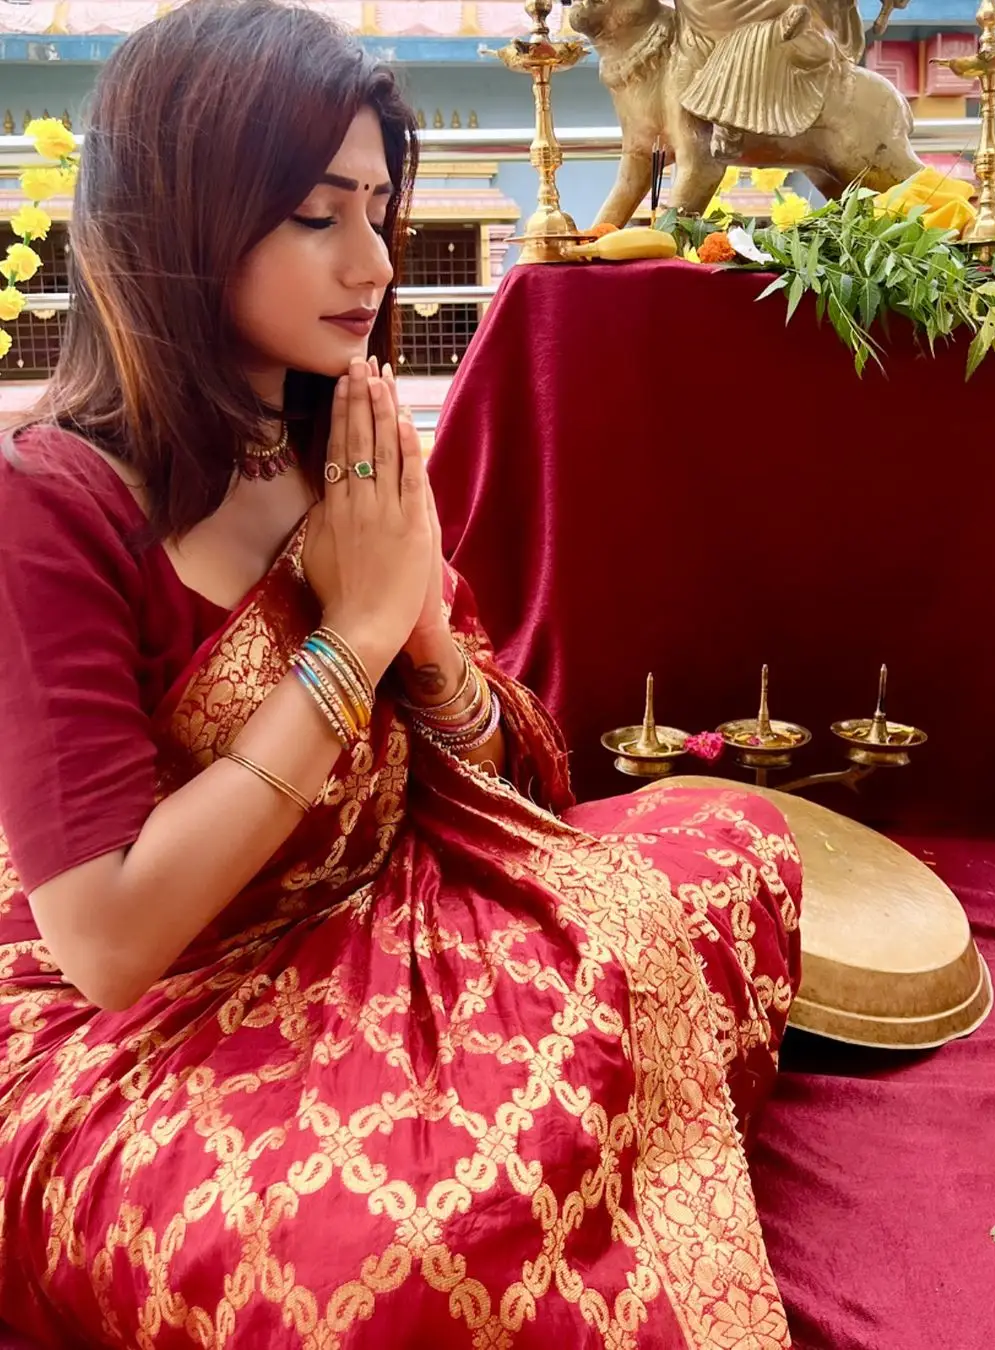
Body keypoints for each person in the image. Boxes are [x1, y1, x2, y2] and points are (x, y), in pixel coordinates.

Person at [0, 2, 802, 1344]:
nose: (375, 259)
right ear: (188, 214)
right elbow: (112, 942)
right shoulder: (58, 505)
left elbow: (516, 789)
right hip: (153, 1024)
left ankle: (550, 1133)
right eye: (321, 215)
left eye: (379, 207)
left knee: (736, 841)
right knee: (389, 1262)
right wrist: (351, 639)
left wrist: (426, 652)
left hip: (404, 911)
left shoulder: (349, 440)